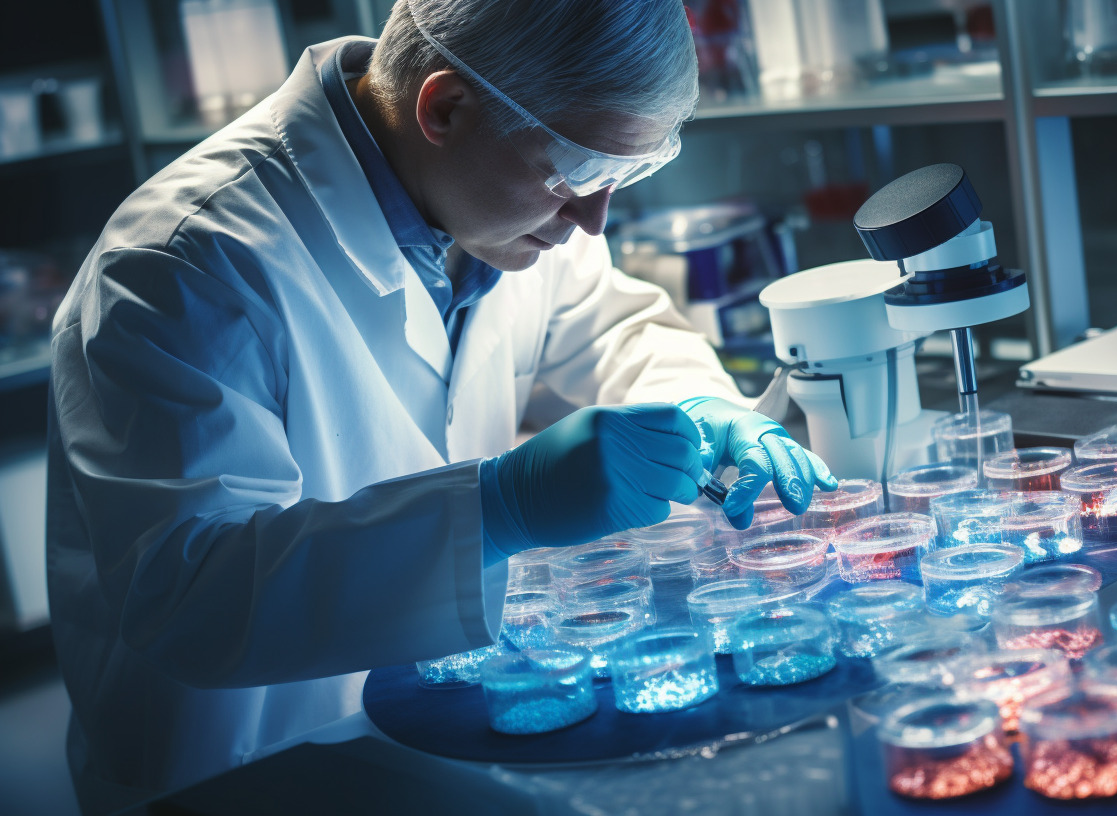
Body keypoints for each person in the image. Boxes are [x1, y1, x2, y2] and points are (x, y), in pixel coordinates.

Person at [45, 1, 835, 811]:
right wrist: (496, 510)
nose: (594, 218)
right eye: (577, 173)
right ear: (444, 107)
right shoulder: (184, 266)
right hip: (248, 764)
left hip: (449, 722)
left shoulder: (494, 198)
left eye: (618, 176)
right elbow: (191, 595)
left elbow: (613, 327)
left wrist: (697, 403)